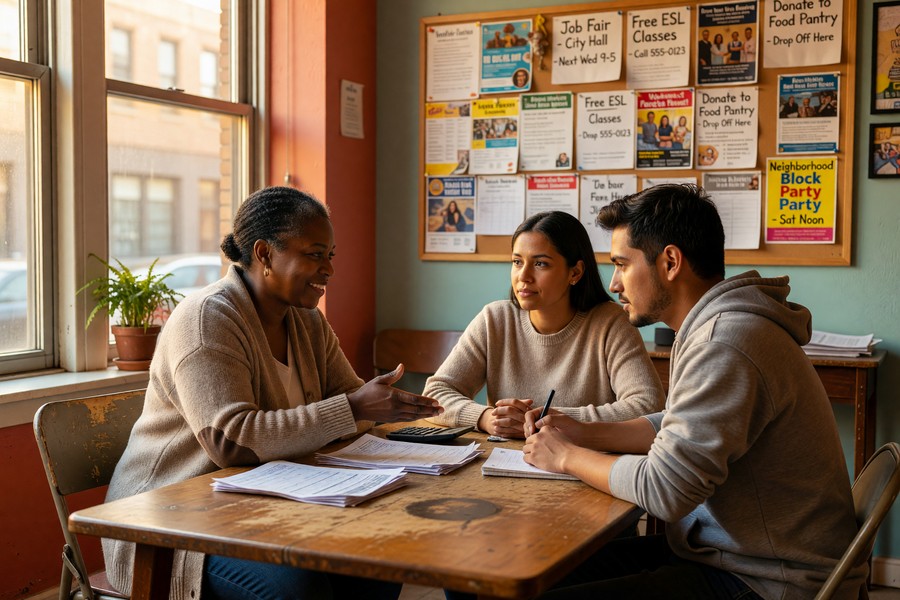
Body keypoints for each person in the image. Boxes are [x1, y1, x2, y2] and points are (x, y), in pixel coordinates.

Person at [522, 184, 865, 599]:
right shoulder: (717, 326)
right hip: (731, 557)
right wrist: (581, 430)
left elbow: (663, 491)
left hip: (769, 581)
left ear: (670, 262)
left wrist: (565, 457)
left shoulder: (725, 342)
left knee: (526, 587)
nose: (614, 284)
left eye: (622, 265)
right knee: (529, 566)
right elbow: (675, 425)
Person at [102, 186, 443, 600]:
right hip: (170, 525)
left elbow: (354, 403)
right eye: (315, 254)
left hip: (266, 506)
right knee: (301, 587)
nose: (328, 270)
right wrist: (354, 408)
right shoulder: (208, 319)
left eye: (330, 256)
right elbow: (230, 440)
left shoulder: (306, 321)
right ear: (264, 255)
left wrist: (381, 407)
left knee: (377, 554)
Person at [423, 211, 664, 439]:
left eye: (540, 264)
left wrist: (551, 419)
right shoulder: (494, 319)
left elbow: (648, 406)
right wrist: (487, 418)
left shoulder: (611, 323)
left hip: (579, 463)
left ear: (575, 273)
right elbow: (435, 394)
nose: (523, 276)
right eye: (517, 262)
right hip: (503, 461)